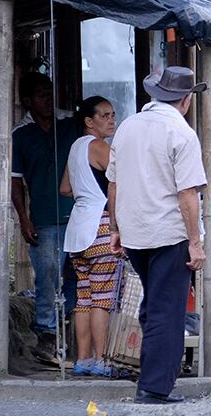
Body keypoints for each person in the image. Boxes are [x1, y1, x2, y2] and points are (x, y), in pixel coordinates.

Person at [107, 66, 207, 405]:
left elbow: (114, 183)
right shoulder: (180, 132)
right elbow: (188, 194)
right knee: (166, 310)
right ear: (186, 99)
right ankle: (154, 386)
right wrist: (195, 242)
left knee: (153, 306)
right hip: (168, 232)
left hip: (135, 231)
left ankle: (151, 376)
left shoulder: (127, 127)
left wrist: (115, 229)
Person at [11, 72, 79, 362]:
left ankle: (75, 335)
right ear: (27, 100)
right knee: (48, 277)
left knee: (78, 277)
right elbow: (15, 182)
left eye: (50, 92)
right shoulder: (20, 134)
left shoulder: (71, 123)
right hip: (44, 219)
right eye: (41, 94)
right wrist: (24, 220)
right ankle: (47, 337)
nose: (47, 99)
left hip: (78, 216)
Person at [60, 96, 120, 378]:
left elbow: (65, 188)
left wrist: (86, 192)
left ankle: (82, 359)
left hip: (77, 230)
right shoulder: (100, 147)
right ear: (89, 121)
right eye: (105, 116)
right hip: (101, 227)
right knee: (103, 299)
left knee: (84, 297)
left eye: (112, 115)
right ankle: (102, 360)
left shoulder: (76, 148)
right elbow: (125, 180)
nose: (111, 120)